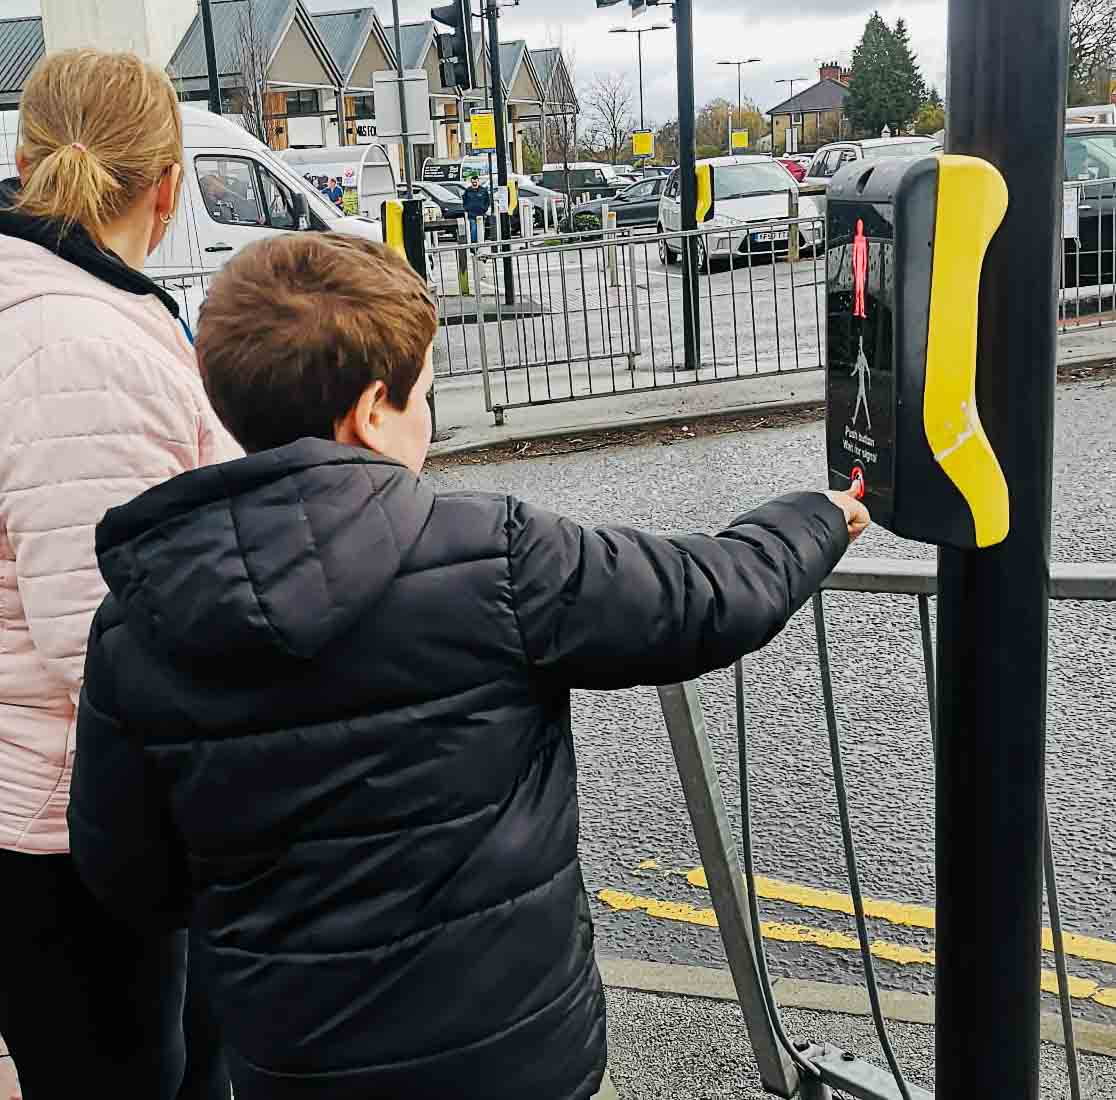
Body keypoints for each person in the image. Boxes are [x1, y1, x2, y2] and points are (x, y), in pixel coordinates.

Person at [69, 234, 869, 1100]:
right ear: (373, 410)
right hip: (512, 1057)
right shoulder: (497, 557)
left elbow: (130, 876)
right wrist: (817, 518)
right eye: (425, 392)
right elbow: (707, 597)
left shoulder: (139, 619)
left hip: (294, 1063)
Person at [0, 49, 239, 1099]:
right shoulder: (76, 344)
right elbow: (106, 642)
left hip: (59, 810)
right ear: (169, 185)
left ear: (21, 159)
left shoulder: (52, 305)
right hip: (79, 831)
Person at [462, 173, 491, 242]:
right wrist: (466, 208)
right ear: (471, 182)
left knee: (480, 229)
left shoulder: (483, 190)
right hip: (471, 214)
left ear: (478, 181)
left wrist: (484, 208)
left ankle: (479, 243)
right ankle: (474, 244)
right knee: (474, 228)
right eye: (473, 182)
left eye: (475, 182)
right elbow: (464, 200)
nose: (474, 183)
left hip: (481, 214)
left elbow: (488, 201)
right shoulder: (468, 190)